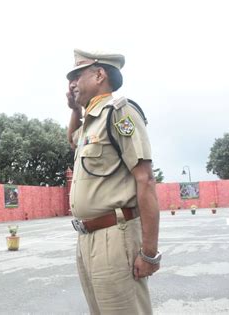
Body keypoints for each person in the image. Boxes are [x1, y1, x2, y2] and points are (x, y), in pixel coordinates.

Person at [66, 48, 161, 314]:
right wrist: (75, 110)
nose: (71, 83)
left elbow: (145, 180)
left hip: (115, 237)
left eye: (76, 75)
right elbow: (72, 139)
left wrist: (149, 252)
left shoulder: (120, 112)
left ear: (99, 75)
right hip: (87, 239)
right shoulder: (90, 122)